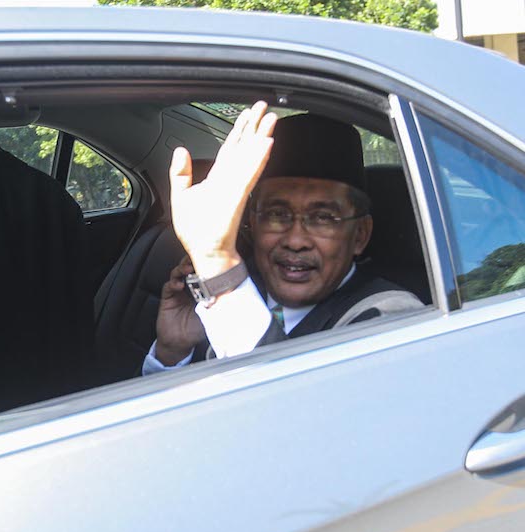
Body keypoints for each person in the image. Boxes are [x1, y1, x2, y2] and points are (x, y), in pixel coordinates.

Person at [144, 102, 423, 374]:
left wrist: (219, 268)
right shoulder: (227, 292)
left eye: (323, 218)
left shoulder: (391, 317)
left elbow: (301, 413)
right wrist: (172, 352)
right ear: (252, 224)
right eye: (277, 214)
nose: (295, 240)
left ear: (359, 235)